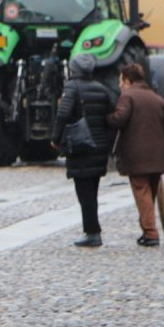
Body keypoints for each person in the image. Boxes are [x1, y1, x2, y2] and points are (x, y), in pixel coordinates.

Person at [50, 53, 116, 247]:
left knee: (84, 193)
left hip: (80, 146)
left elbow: (63, 113)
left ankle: (92, 232)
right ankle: (92, 230)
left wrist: (55, 138)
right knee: (92, 191)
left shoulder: (72, 87)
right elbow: (110, 117)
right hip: (98, 146)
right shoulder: (102, 89)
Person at [106, 62, 164, 247]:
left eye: (121, 81)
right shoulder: (155, 97)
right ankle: (147, 229)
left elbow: (119, 119)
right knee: (149, 191)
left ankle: (151, 233)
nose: (119, 85)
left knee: (141, 190)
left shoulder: (128, 96)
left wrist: (107, 117)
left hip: (137, 153)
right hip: (157, 153)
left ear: (127, 80)